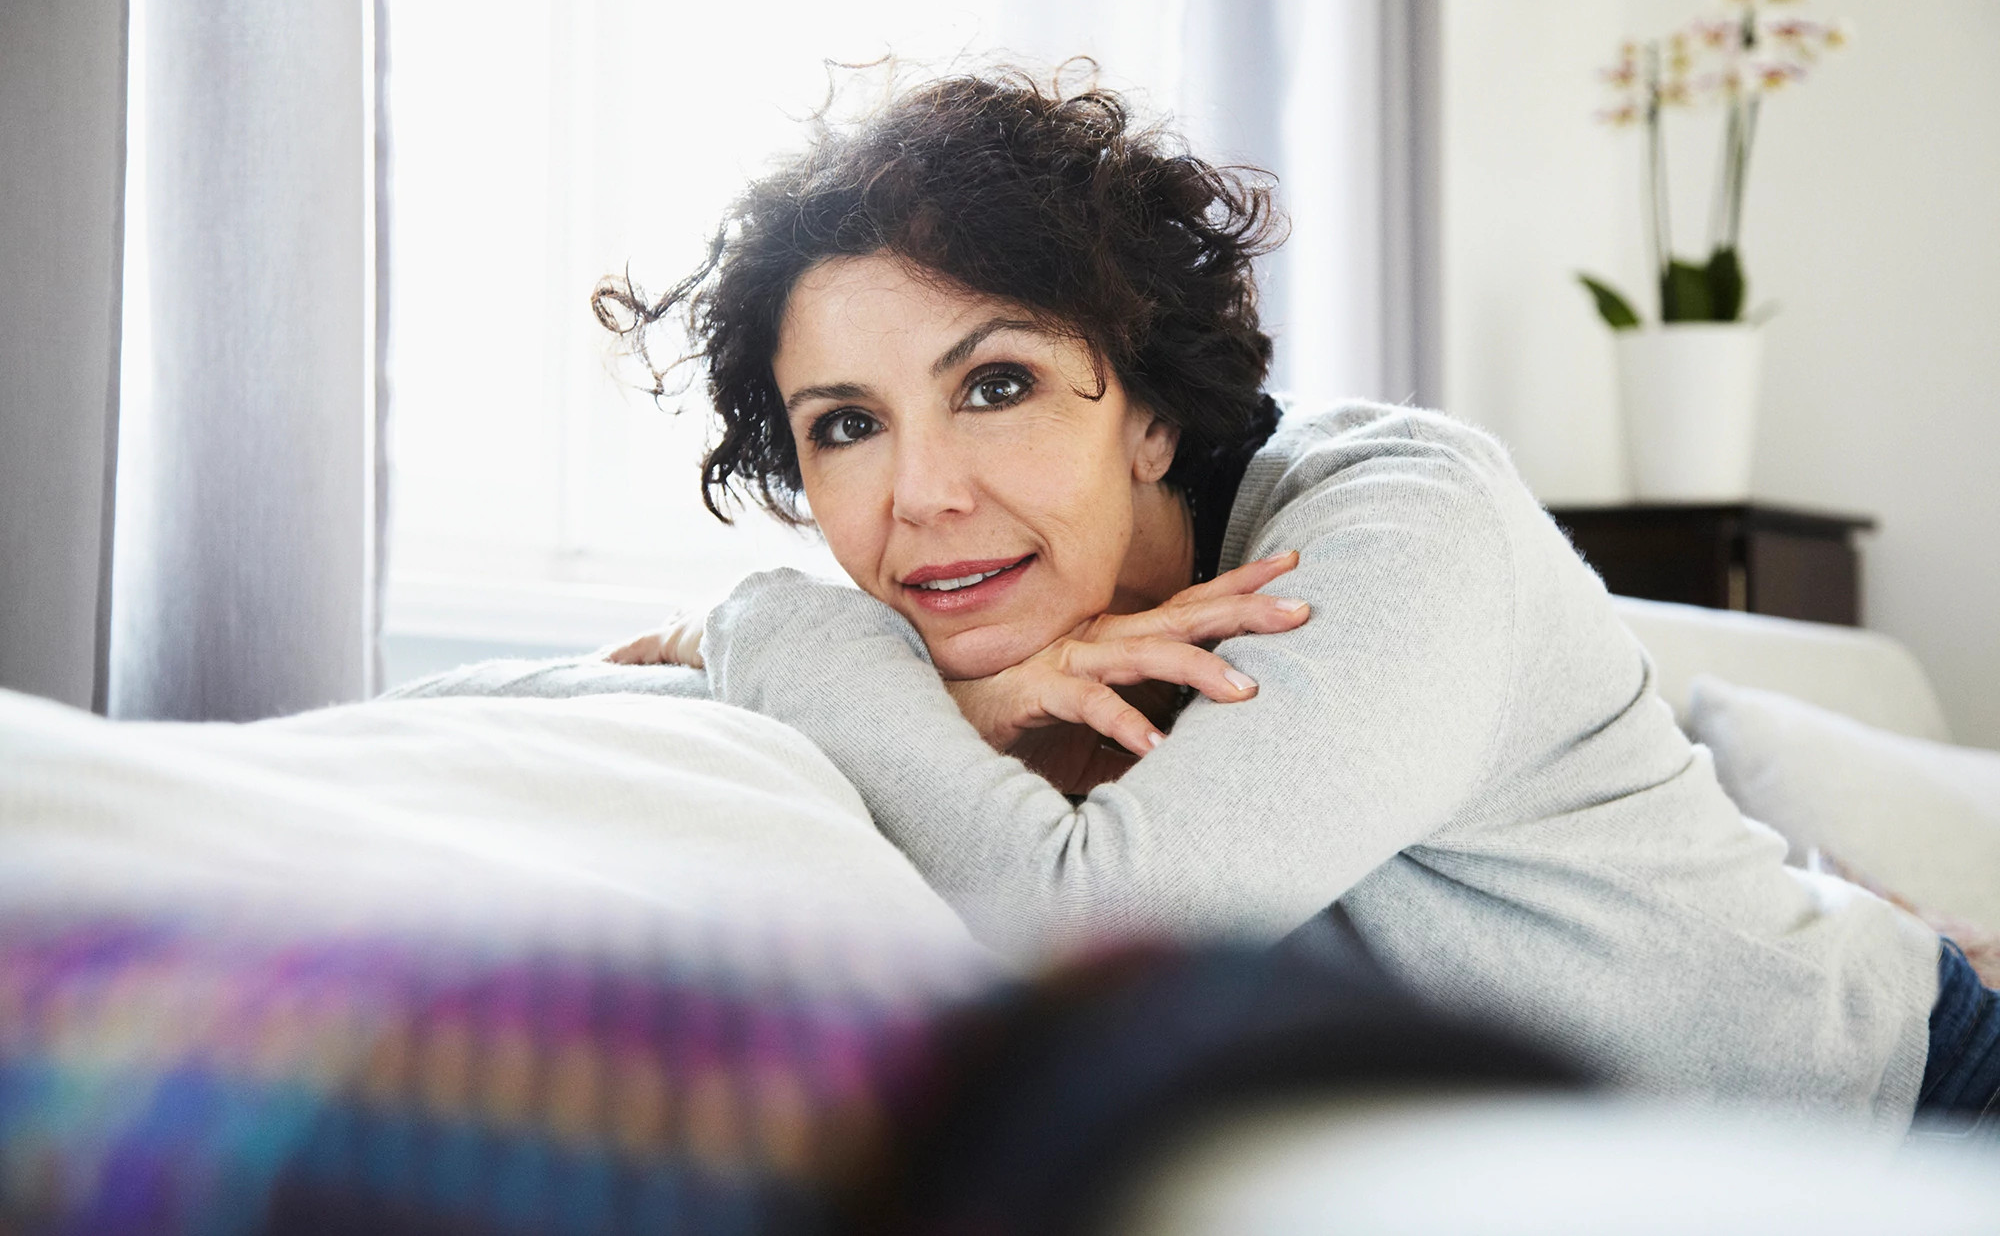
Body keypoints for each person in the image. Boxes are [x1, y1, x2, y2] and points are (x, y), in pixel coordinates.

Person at [594, 66, 1998, 1130]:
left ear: (1150, 416)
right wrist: (973, 693)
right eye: (846, 423)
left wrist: (767, 621)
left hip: (1899, 1111)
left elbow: (1086, 931)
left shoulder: (1402, 518)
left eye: (997, 383)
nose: (921, 494)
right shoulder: (974, 628)